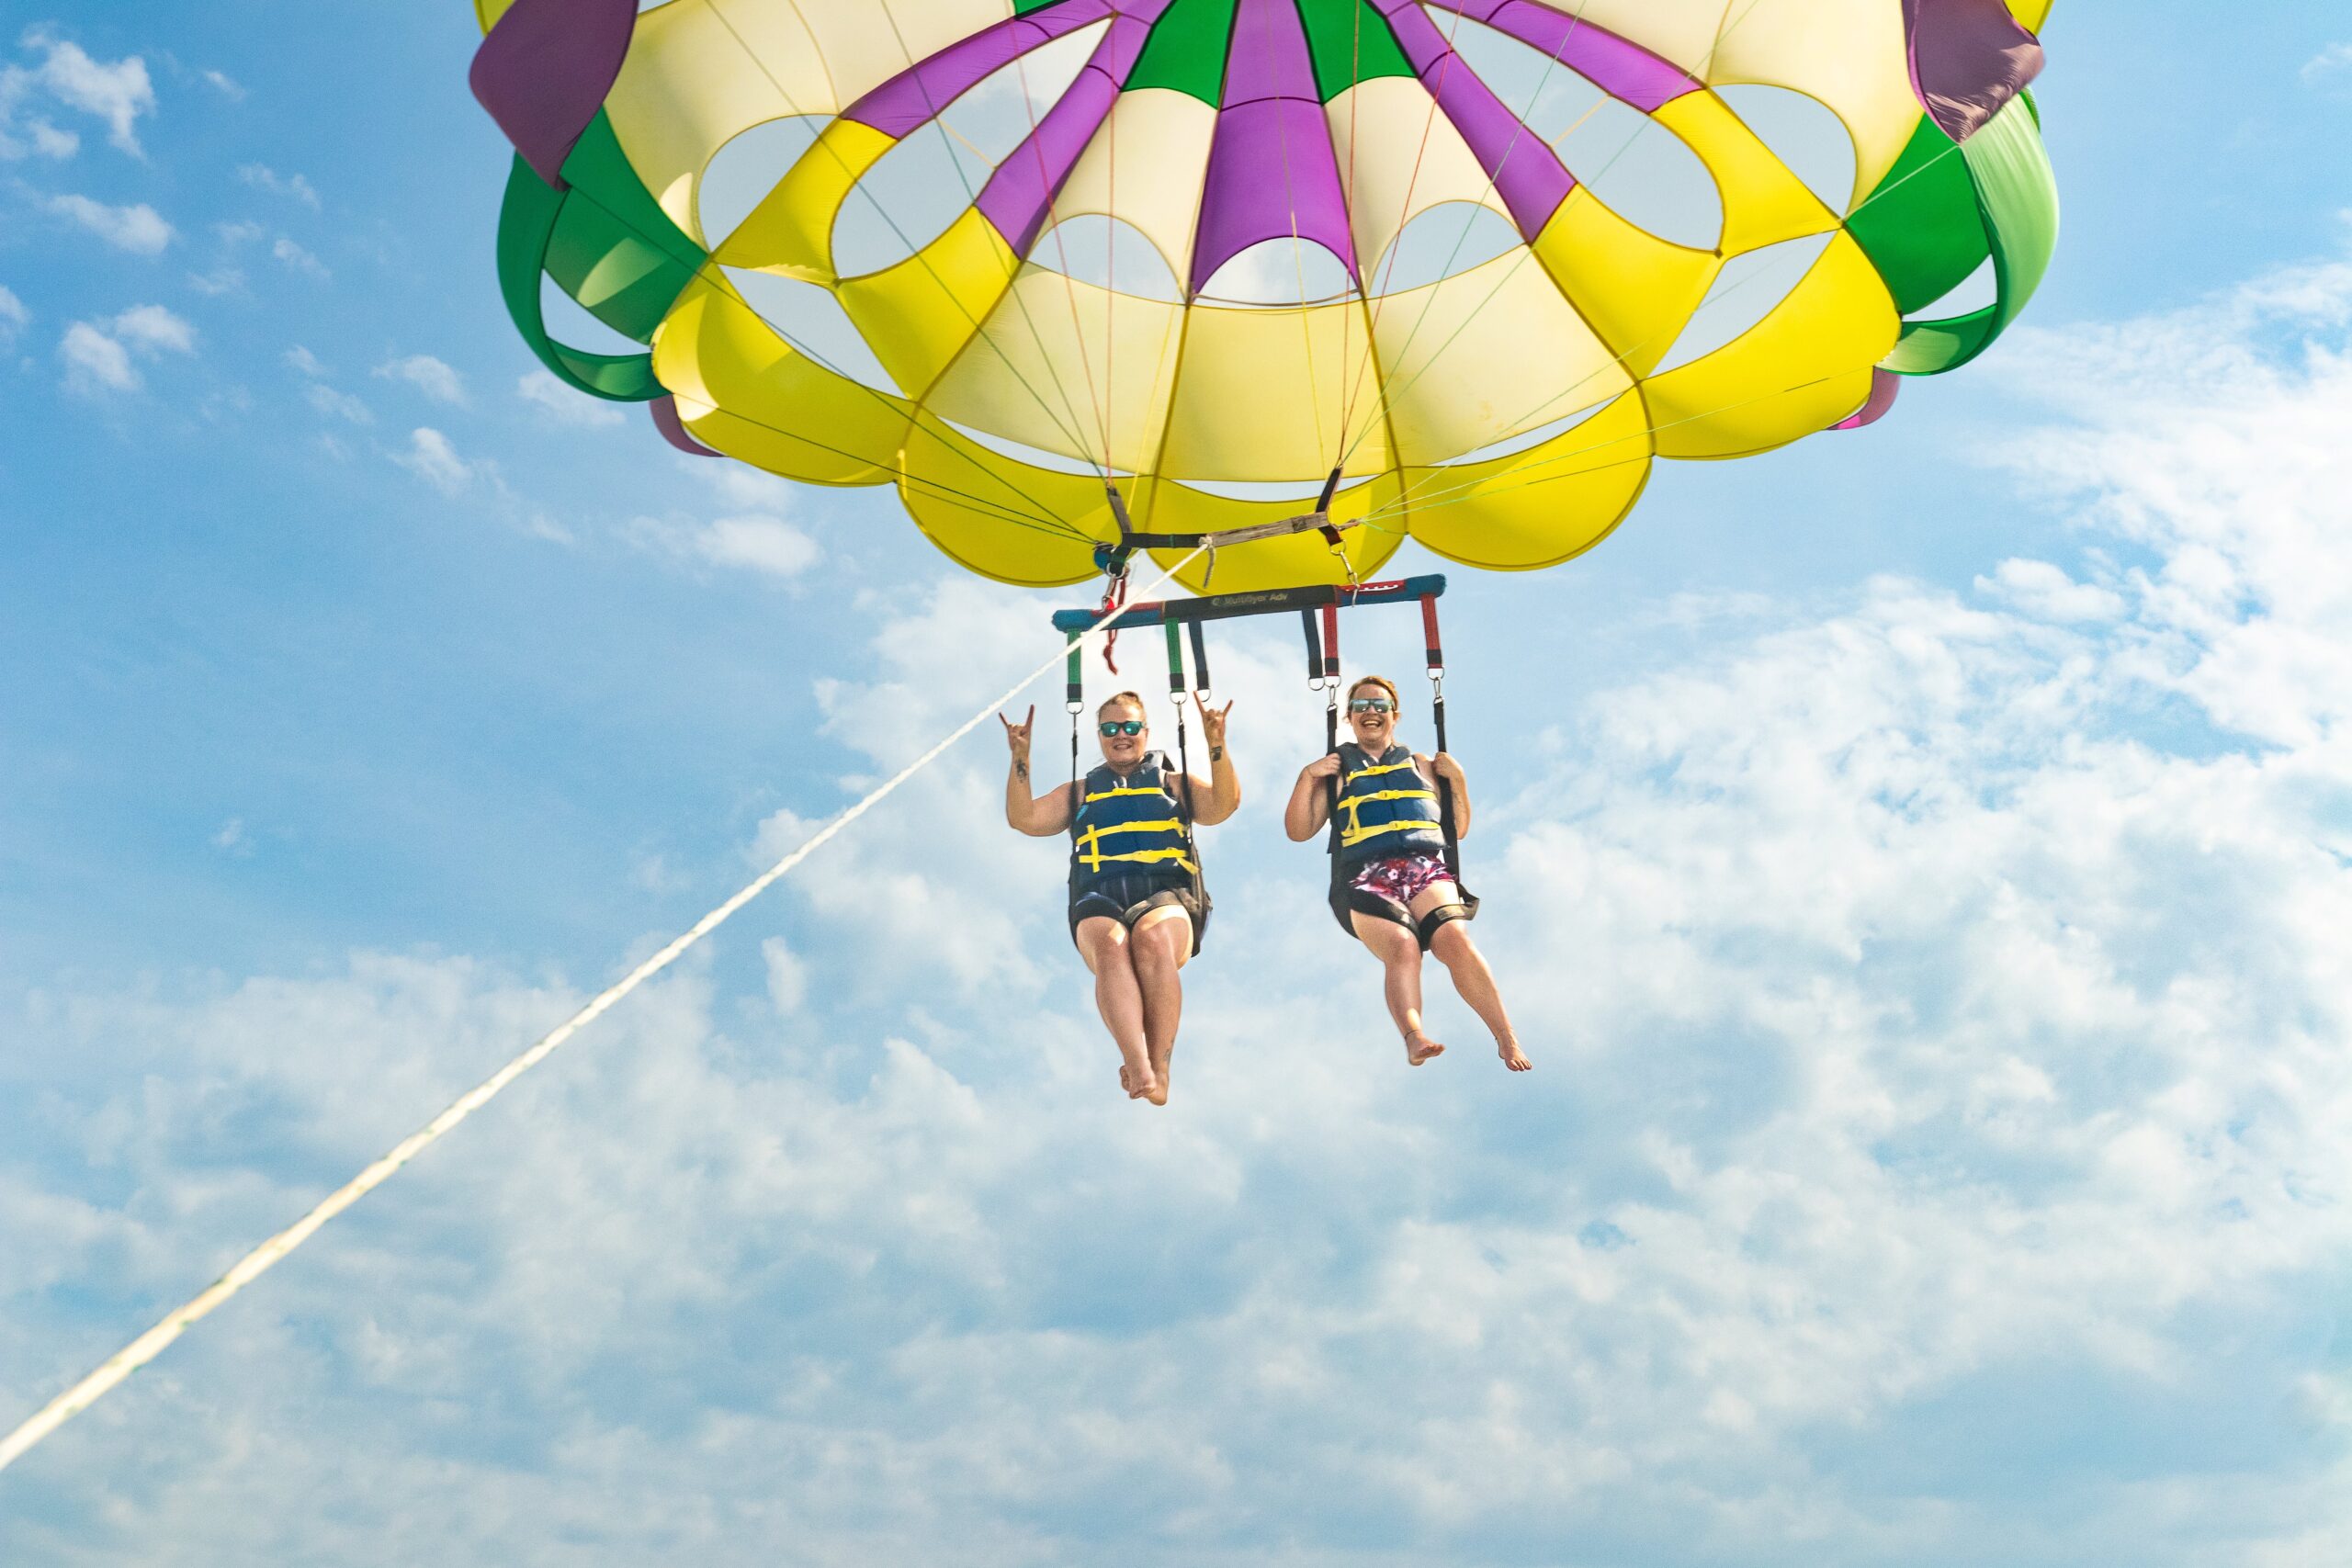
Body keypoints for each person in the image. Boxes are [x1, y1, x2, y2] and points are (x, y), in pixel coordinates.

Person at [1283, 675, 1531, 1073]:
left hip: (1423, 867)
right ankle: (1414, 1037)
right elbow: (1298, 831)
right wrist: (1307, 777)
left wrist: (1459, 782)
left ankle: (1506, 1036)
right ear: (1348, 718)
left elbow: (1456, 829)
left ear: (1394, 716)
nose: (1371, 712)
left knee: (1454, 939)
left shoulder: (1424, 766)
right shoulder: (1334, 771)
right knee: (1402, 947)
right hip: (1365, 876)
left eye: (1380, 706)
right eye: (1362, 706)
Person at [1002, 691, 1238, 1104]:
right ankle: (1138, 1065)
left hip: (1169, 894)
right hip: (1098, 895)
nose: (1121, 735)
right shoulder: (1079, 791)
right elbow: (1025, 819)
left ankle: (1160, 1068)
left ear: (1146, 732)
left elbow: (1222, 805)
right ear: (1099, 736)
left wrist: (1215, 743)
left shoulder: (1173, 784)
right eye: (1111, 728)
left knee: (1150, 941)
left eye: (1130, 727)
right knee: (1112, 948)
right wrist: (1020, 758)